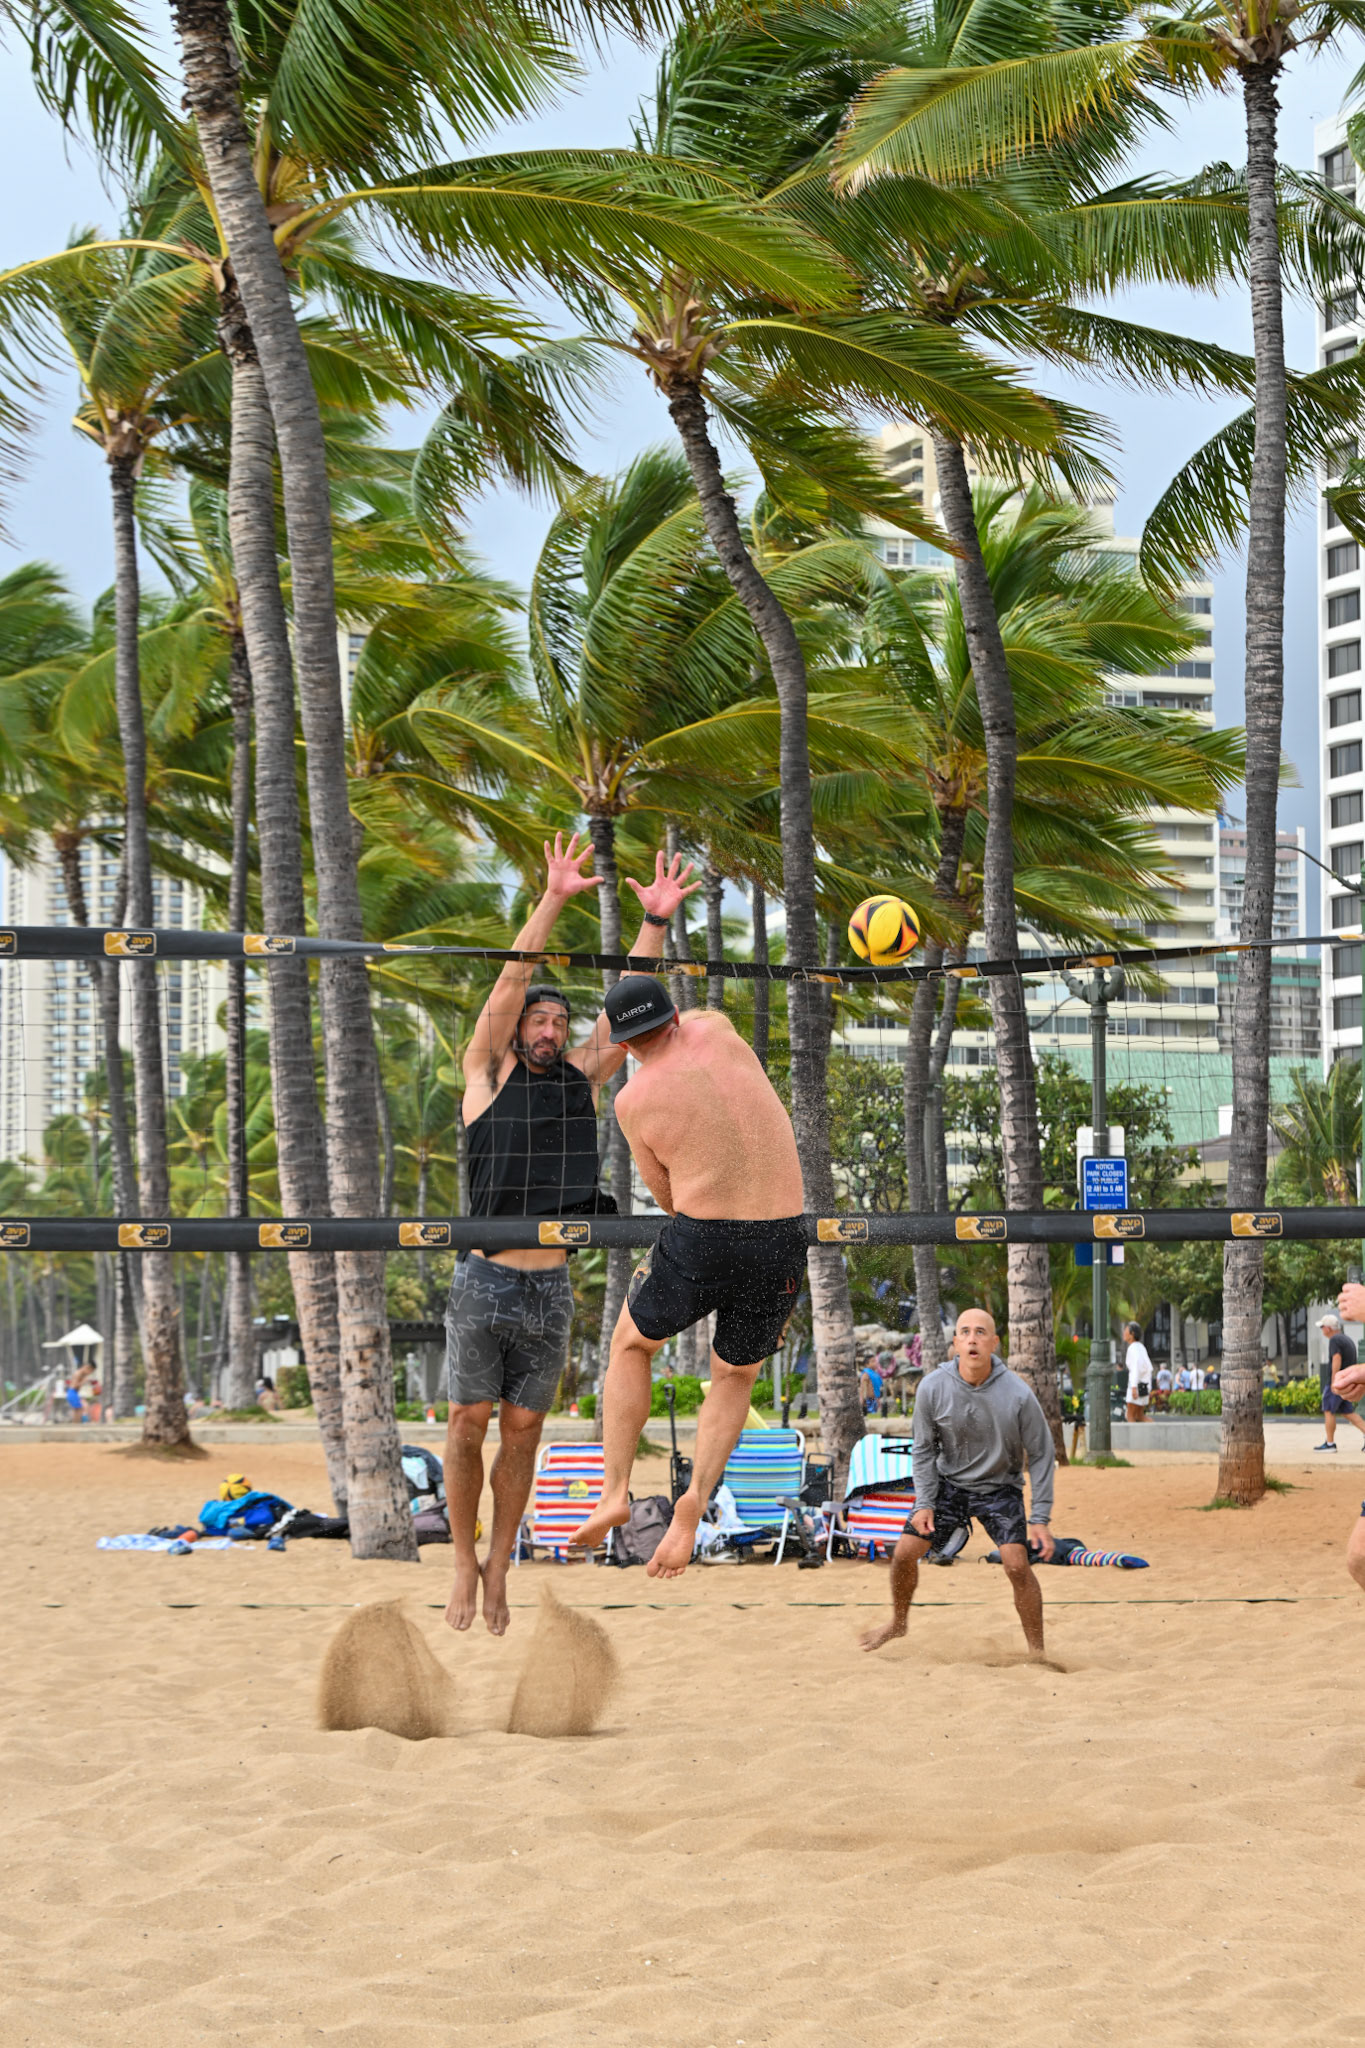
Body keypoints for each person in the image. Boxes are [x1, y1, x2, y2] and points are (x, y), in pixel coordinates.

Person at [443, 839, 699, 1636]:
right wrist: (553, 897)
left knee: (522, 1433)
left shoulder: (578, 1081)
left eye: (559, 1020)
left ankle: (499, 1565)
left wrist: (654, 921)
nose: (550, 1028)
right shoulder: (485, 1075)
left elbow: (629, 1003)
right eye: (539, 1019)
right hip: (485, 1278)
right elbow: (512, 977)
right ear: (516, 1029)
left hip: (549, 1286)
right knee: (466, 1425)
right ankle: (461, 1559)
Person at [569, 975, 807, 1577]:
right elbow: (699, 1015)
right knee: (734, 1376)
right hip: (784, 1235)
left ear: (623, 1047)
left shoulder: (632, 1100)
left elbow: (669, 1197)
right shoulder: (721, 1033)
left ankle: (615, 1492)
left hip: (706, 1237)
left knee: (631, 1345)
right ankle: (694, 1501)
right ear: (675, 1015)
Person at [860, 1306, 1055, 1659]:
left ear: (994, 1343)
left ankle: (1037, 1651)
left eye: (981, 1332)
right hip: (948, 1485)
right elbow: (921, 1450)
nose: (972, 1339)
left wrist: (1040, 1516)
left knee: (1015, 1564)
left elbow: (1042, 1454)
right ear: (955, 1342)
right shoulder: (933, 1387)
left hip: (1000, 1488)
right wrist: (924, 1502)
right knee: (904, 1554)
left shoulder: (1018, 1394)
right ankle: (898, 1622)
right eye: (965, 1332)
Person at [1314, 1311, 1365, 1452]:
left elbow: (1336, 1358)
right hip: (1348, 1381)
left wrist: (1333, 1382)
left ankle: (1330, 1444)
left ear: (1328, 1328)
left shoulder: (1335, 1340)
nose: (1322, 1330)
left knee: (1328, 1410)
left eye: (1322, 1327)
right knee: (1348, 1413)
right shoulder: (1346, 1339)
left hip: (1339, 1382)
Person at [1123, 1321, 1152, 1423]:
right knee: (1140, 1416)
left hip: (1136, 1386)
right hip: (1145, 1385)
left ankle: (1133, 1439)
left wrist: (1134, 1387)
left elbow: (1135, 1367)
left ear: (1132, 1334)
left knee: (1130, 1415)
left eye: (1126, 1330)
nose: (1124, 1332)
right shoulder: (1141, 1347)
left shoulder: (1132, 1348)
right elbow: (1148, 1367)